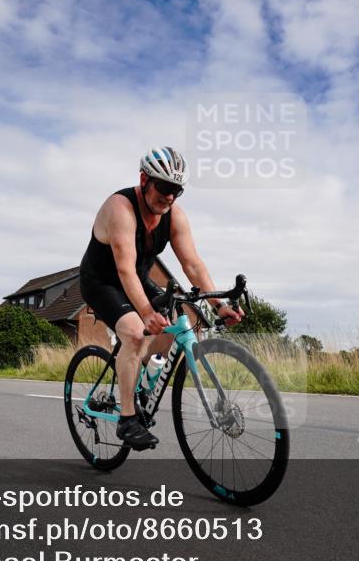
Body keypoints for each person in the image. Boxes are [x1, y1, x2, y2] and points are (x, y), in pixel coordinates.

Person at [79, 146, 244, 449]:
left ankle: (141, 385)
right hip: (101, 281)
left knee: (176, 318)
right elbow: (125, 269)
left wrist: (218, 305)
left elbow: (192, 264)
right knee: (134, 332)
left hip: (137, 280)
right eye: (164, 187)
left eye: (177, 191)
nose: (169, 197)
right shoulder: (121, 208)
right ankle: (127, 420)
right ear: (144, 180)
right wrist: (144, 312)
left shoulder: (174, 215)